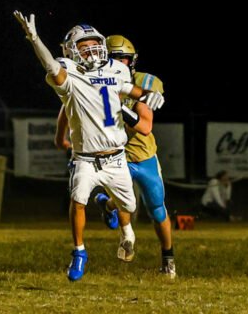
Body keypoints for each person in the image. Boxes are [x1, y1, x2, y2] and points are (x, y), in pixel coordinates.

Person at [14, 11, 163, 281]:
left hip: (117, 157)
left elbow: (131, 89)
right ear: (72, 51)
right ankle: (79, 251)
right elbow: (51, 67)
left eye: (94, 43)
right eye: (83, 46)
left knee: (128, 207)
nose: (91, 49)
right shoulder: (69, 75)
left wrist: (150, 96)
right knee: (78, 200)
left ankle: (117, 219)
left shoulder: (115, 70)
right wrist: (34, 39)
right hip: (85, 158)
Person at [57, 34, 176, 278]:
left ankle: (168, 257)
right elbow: (68, 104)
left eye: (124, 59)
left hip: (143, 155)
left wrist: (113, 105)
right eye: (114, 58)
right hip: (113, 156)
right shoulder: (91, 77)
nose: (119, 63)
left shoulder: (143, 82)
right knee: (124, 204)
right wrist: (62, 137)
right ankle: (125, 233)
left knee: (156, 207)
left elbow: (144, 126)